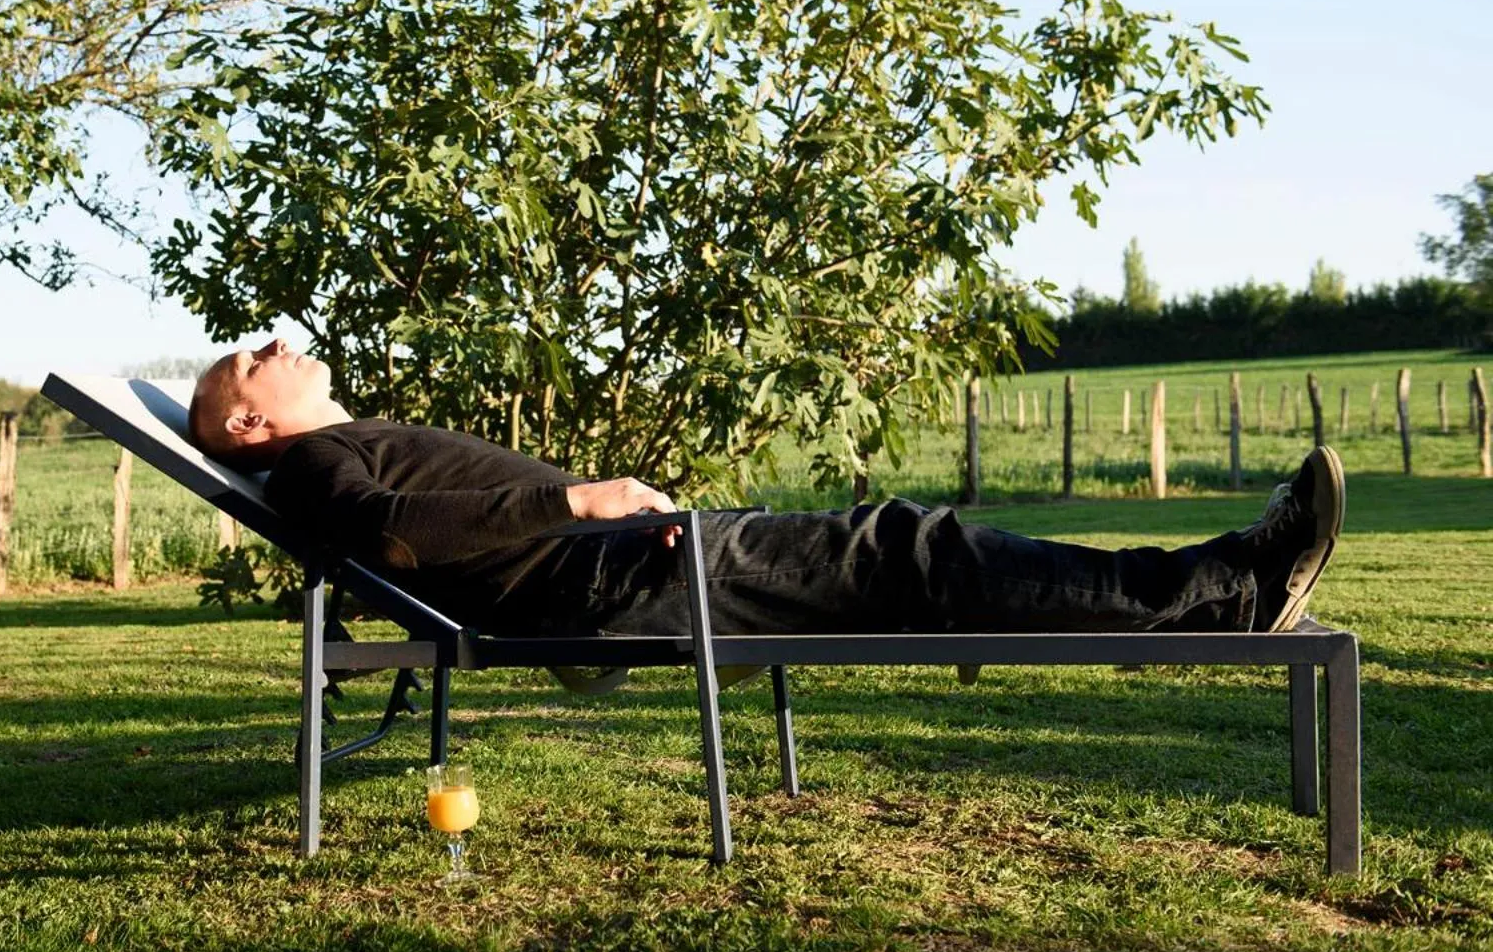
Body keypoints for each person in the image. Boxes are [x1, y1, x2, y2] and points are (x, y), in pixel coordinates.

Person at [186, 338, 1344, 643]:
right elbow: (386, 539)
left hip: (623, 558)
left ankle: (1216, 588)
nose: (280, 346)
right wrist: (574, 502)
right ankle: (1222, 586)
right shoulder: (312, 464)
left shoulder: (334, 443)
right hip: (605, 576)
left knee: (901, 553)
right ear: (248, 421)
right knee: (902, 552)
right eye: (255, 356)